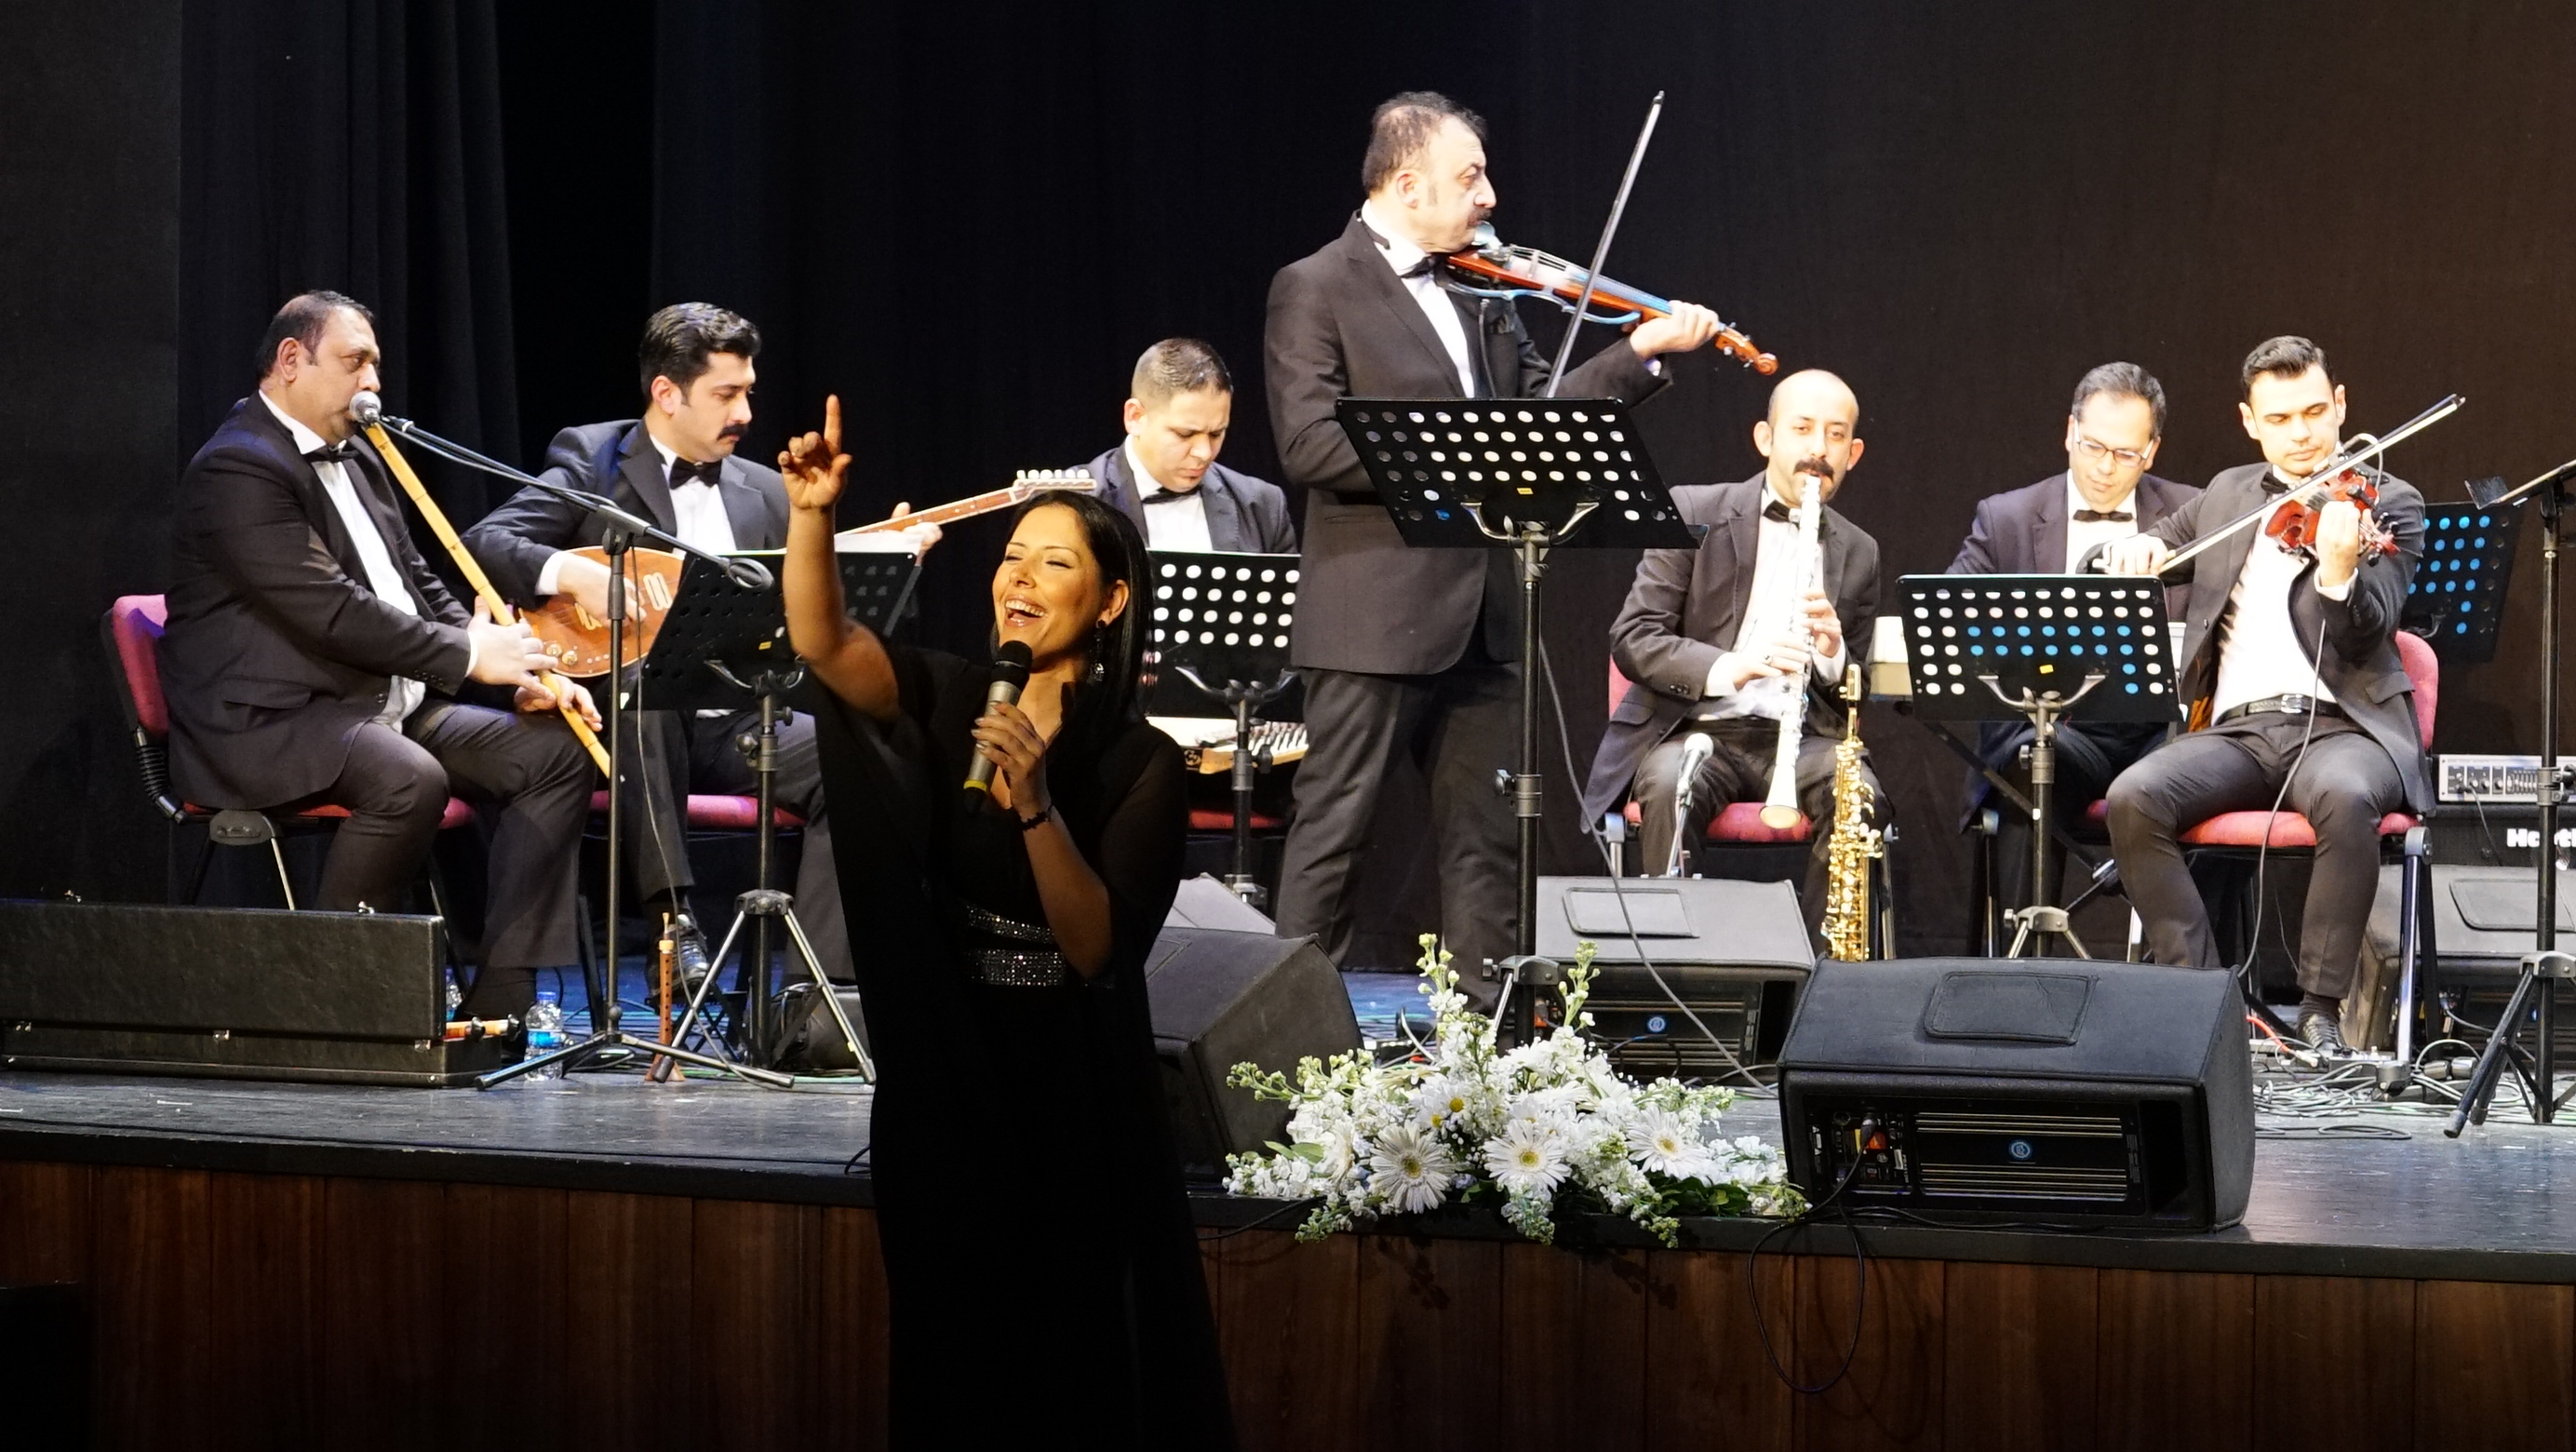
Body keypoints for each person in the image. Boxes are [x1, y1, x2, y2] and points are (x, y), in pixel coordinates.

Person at [779, 398, 1234, 1446]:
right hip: (946, 1064)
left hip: (1066, 1085)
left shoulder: (1140, 762)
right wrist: (813, 516)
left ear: (1111, 601)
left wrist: (1035, 806)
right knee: (951, 1352)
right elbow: (824, 641)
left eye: (1054, 563)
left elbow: (1096, 947)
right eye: (1012, 558)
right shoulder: (950, 694)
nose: (1020, 578)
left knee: (1066, 1359)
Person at [1266, 89, 1721, 998]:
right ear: (1407, 184)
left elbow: (1539, 421)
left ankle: (1487, 1042)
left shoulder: (1481, 292)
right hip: (1370, 619)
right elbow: (1311, 444)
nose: (1489, 196)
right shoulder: (1314, 285)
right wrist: (1467, 449)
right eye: (1469, 177)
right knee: (1334, 839)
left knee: (1488, 844)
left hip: (1489, 616)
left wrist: (1639, 353)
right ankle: (1280, 1040)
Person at [161, 291, 597, 1020]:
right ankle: (335, 995)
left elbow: (413, 578)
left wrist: (518, 670)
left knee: (555, 752)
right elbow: (330, 611)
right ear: (291, 360)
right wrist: (467, 655)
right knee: (408, 779)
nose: (372, 383)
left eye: (376, 366)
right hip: (267, 720)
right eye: (354, 362)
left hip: (371, 703)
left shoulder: (359, 452)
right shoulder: (238, 467)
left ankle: (503, 997)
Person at [463, 304, 849, 985]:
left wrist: (886, 555)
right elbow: (485, 542)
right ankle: (674, 926)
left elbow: (808, 609)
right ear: (667, 393)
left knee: (855, 761)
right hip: (623, 723)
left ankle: (816, 992)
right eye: (726, 395)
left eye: (748, 392)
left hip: (736, 723)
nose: (746, 413)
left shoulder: (765, 490)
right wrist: (572, 573)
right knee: (650, 693)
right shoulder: (593, 458)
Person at [2101, 336, 2430, 1053]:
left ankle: (2319, 1012)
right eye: (2279, 418)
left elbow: (2372, 624)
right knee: (2134, 796)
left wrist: (2338, 571)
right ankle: (2205, 999)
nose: (2301, 433)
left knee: (2345, 794)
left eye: (2314, 412)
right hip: (2238, 733)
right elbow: (2151, 545)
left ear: (2339, 404)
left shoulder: (2390, 501)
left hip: (2346, 729)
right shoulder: (2227, 494)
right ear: (2251, 421)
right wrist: (2134, 550)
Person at [1580, 369, 1884, 939]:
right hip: (1695, 729)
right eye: (1802, 429)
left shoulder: (1859, 550)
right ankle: (1674, 967)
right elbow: (1635, 636)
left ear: (1854, 452)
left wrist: (1833, 652)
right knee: (1672, 784)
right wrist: (1729, 667)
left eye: (1836, 434)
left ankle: (1828, 973)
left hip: (1802, 741)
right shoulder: (1695, 509)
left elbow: (1856, 690)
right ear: (1766, 438)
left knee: (1857, 794)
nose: (1819, 449)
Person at [1947, 362, 2202, 921]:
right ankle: (2022, 956)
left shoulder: (2193, 514)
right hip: (2056, 727)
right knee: (2033, 760)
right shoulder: (2007, 518)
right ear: (2070, 432)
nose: (2106, 468)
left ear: (2152, 452)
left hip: (2160, 732)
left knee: (2206, 770)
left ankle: (2182, 967)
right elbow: (1957, 624)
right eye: (2093, 447)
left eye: (2126, 454)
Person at [1082, 338, 1295, 554]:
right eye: (1185, 434)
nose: (1204, 453)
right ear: (1135, 417)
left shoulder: (1263, 507)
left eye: (1216, 434)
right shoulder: (1075, 503)